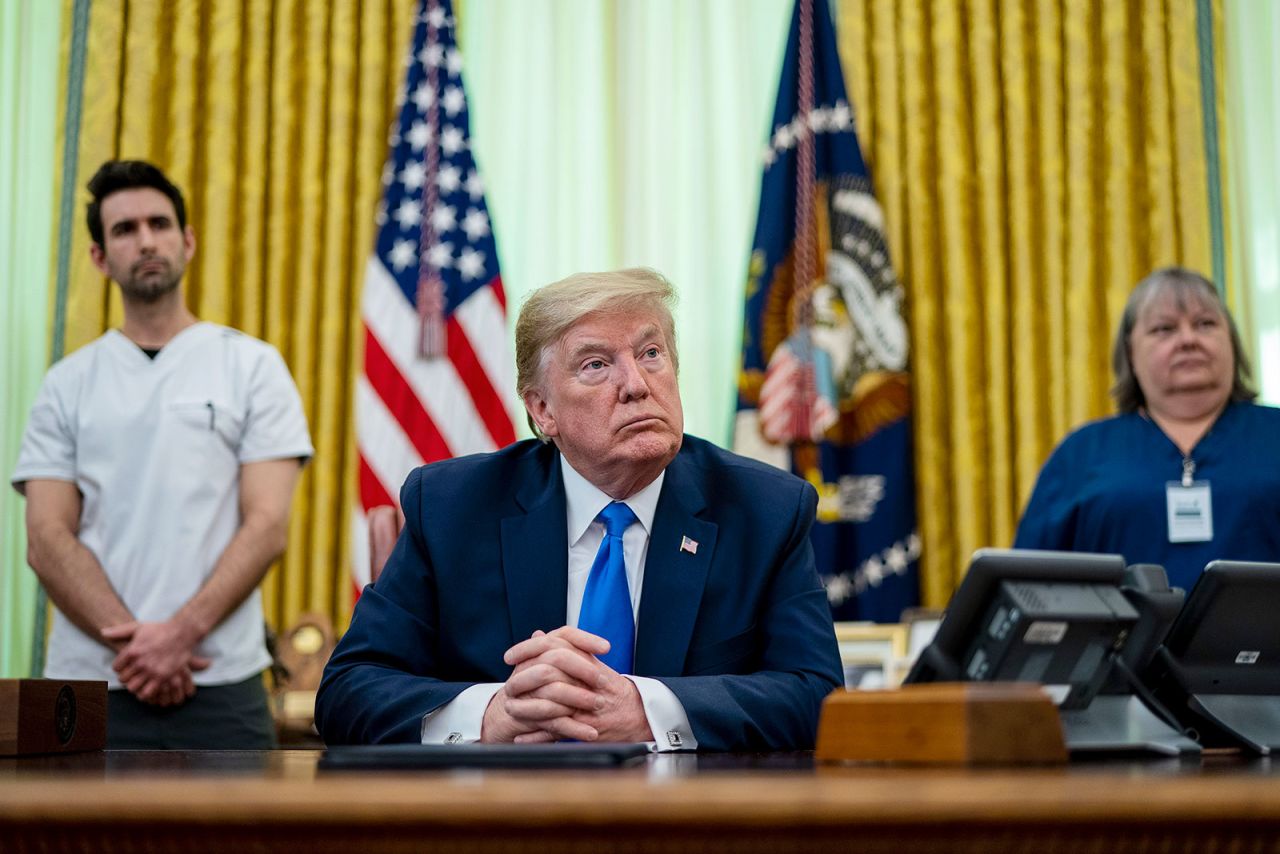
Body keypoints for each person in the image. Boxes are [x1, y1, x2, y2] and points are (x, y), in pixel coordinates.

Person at [316, 268, 843, 751]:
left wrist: (648, 711)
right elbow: (348, 690)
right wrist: (493, 714)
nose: (637, 385)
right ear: (542, 409)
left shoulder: (765, 509)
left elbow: (817, 696)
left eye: (651, 353)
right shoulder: (453, 506)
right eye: (596, 365)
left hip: (691, 831)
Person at [12, 160, 314, 749]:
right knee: (76, 846)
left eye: (159, 223)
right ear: (100, 258)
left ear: (188, 240)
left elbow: (268, 525)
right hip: (90, 686)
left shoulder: (252, 367)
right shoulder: (66, 383)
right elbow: (46, 538)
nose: (146, 239)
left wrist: (180, 636)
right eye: (124, 230)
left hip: (221, 681)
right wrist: (143, 649)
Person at [1014, 266, 1280, 592]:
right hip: (1120, 643)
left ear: (1233, 342)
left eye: (1205, 324)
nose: (1188, 339)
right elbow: (1027, 583)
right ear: (1131, 353)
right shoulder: (1081, 453)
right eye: (1164, 329)